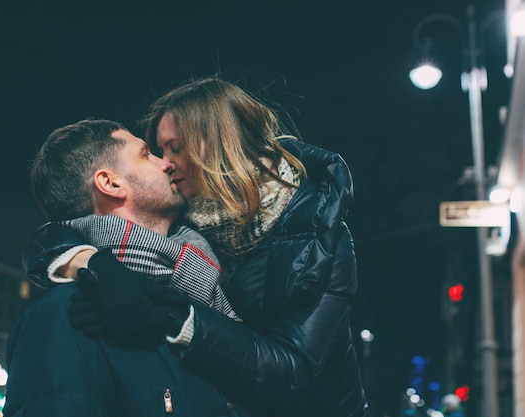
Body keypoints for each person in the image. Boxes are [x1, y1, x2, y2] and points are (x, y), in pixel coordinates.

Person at [24, 77, 371, 416]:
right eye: (154, 152)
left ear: (220, 143)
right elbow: (63, 231)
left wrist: (179, 318)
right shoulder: (168, 249)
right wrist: (86, 261)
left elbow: (289, 373)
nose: (166, 163)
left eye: (175, 148)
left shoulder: (317, 234)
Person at [3, 119, 253, 416]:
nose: (167, 164)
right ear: (110, 183)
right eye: (147, 154)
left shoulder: (205, 287)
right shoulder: (64, 317)